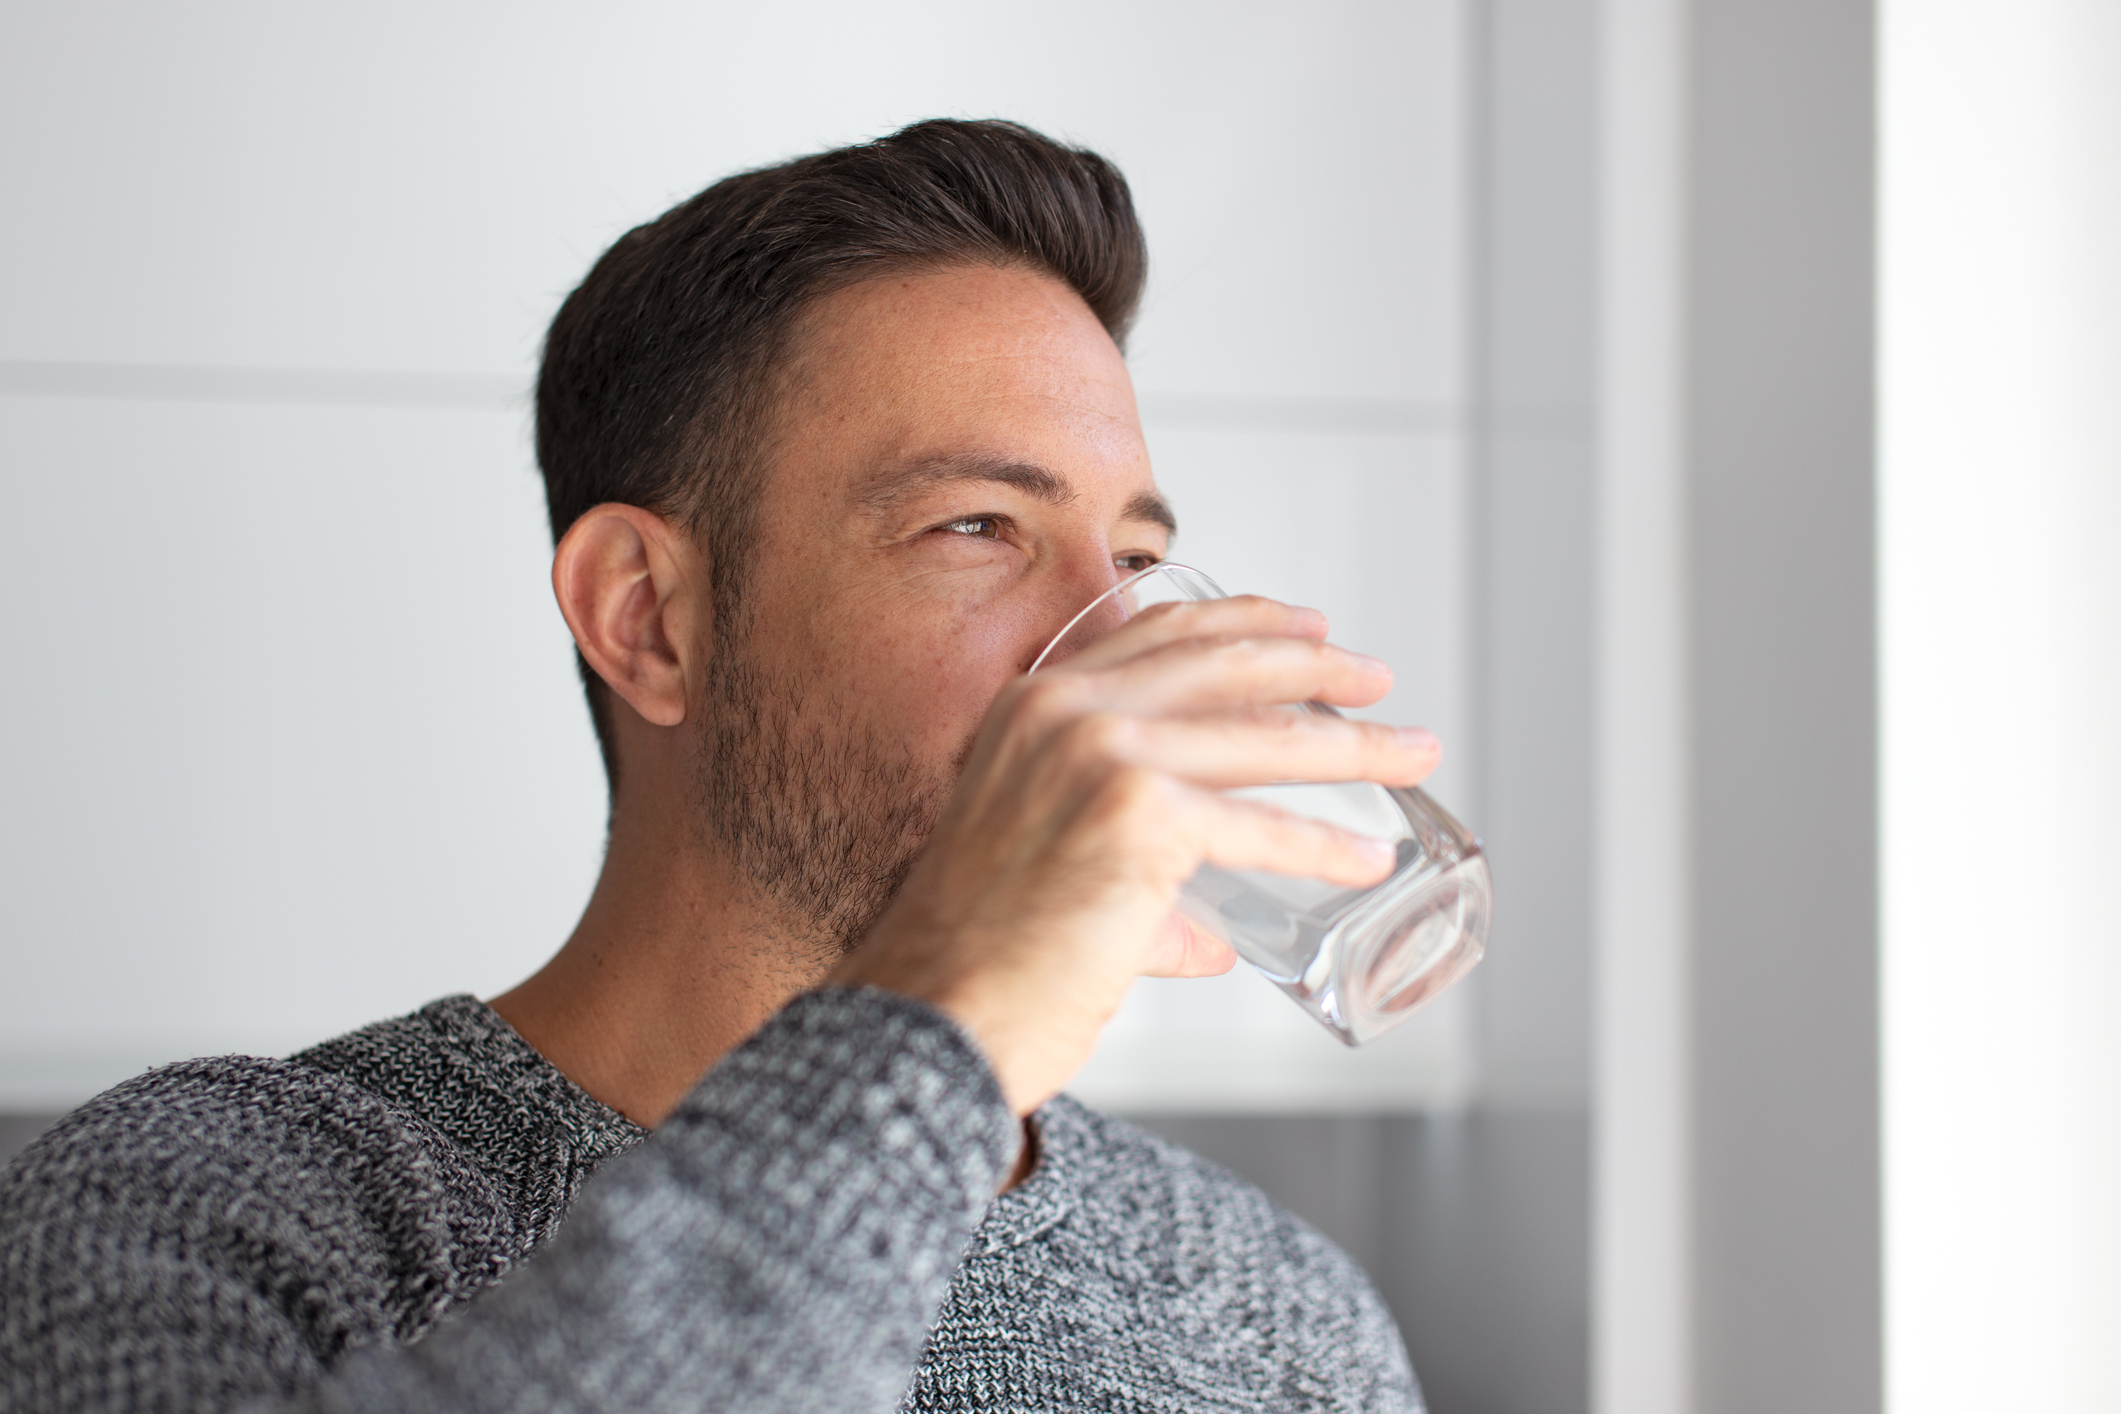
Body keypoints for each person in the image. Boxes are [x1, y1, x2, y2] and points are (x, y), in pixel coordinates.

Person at [0, 119, 1441, 1413]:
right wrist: (947, 1027)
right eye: (976, 527)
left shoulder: (1273, 1314)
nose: (1110, 647)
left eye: (1131, 558)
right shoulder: (208, 1203)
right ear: (648, 615)